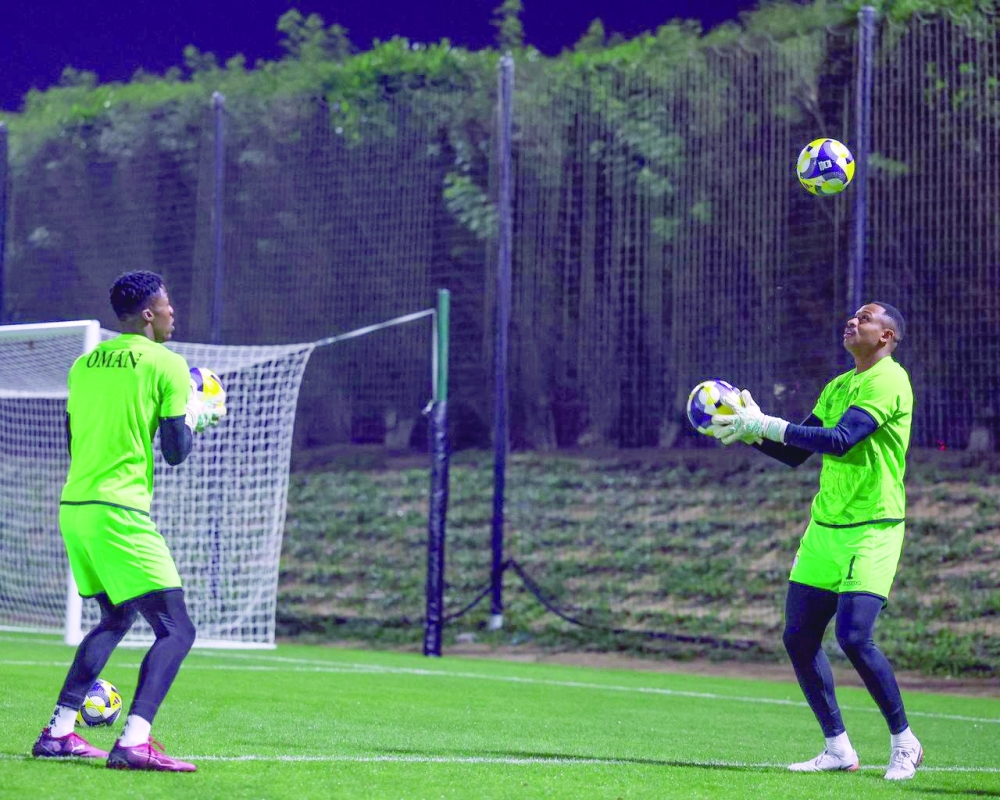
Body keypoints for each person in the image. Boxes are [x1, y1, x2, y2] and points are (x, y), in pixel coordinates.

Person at [709, 301, 922, 782]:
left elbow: (843, 438)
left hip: (873, 528)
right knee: (799, 637)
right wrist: (750, 430)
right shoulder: (839, 386)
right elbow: (797, 453)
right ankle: (838, 749)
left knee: (853, 636)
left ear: (886, 336)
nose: (852, 321)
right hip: (825, 529)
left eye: (865, 318)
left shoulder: (889, 380)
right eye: (851, 316)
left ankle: (904, 742)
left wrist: (768, 424)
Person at [31, 271, 223, 772]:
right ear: (146, 315)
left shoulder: (83, 364)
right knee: (177, 630)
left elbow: (74, 439)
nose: (172, 312)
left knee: (115, 619)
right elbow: (176, 453)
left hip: (76, 507)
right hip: (120, 512)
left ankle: (58, 734)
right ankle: (134, 742)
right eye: (166, 305)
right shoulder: (169, 364)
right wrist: (196, 415)